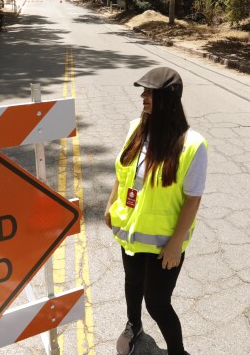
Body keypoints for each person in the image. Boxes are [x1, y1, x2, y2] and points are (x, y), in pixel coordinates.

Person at [105, 67, 207, 355]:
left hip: (165, 242)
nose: (143, 96)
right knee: (132, 282)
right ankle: (134, 325)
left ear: (167, 98)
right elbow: (122, 171)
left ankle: (177, 351)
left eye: (149, 92)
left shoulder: (191, 145)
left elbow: (192, 199)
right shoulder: (137, 127)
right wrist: (111, 203)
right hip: (131, 232)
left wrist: (176, 243)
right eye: (144, 91)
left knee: (158, 303)